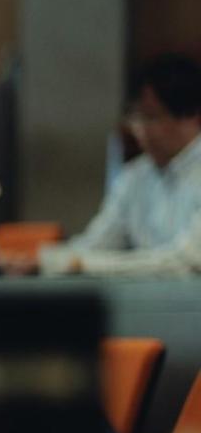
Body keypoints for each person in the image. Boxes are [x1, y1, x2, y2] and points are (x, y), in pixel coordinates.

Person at [38, 54, 201, 277]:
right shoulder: (134, 176)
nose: (140, 130)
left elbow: (187, 262)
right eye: (136, 117)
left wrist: (79, 265)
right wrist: (42, 261)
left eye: (151, 117)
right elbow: (96, 244)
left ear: (191, 116)